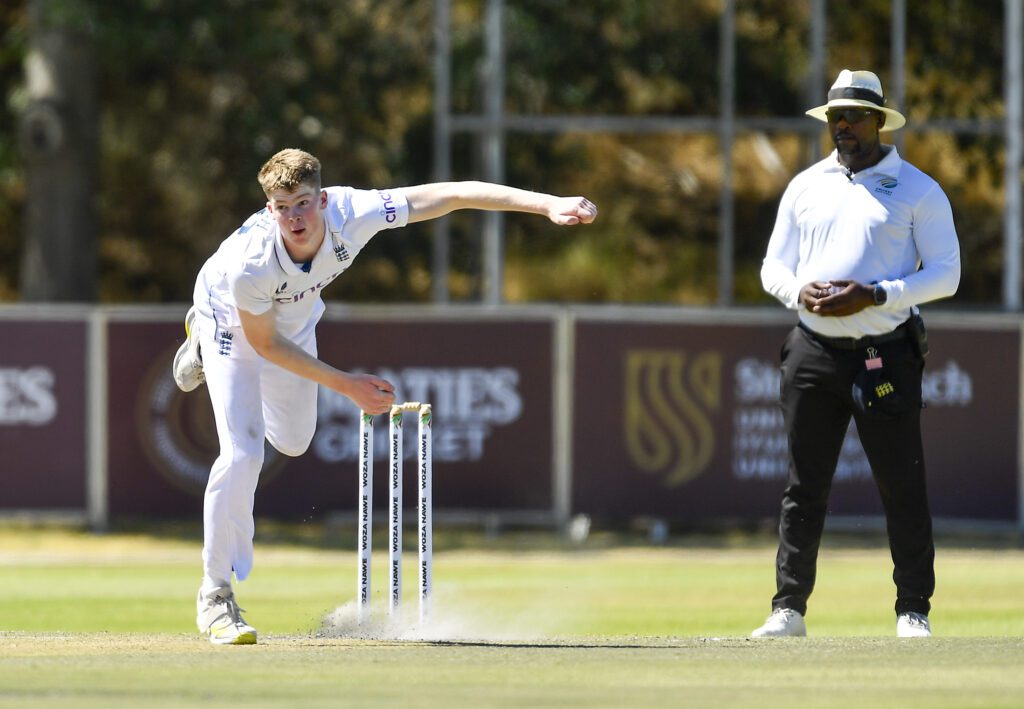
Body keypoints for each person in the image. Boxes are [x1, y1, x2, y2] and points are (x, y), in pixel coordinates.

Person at [173, 148, 598, 645]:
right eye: (283, 206)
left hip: (294, 319)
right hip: (231, 320)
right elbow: (264, 345)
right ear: (269, 208)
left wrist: (547, 203)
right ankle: (216, 597)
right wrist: (346, 384)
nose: (295, 218)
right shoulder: (250, 263)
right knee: (243, 452)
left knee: (291, 442)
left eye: (303, 203)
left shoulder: (354, 212)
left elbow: (450, 195)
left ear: (323, 199)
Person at [754, 70, 960, 639]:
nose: (842, 125)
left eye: (853, 116)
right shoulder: (806, 185)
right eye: (834, 117)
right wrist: (800, 292)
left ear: (879, 121)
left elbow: (947, 274)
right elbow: (774, 266)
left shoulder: (917, 188)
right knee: (804, 484)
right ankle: (788, 608)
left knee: (901, 482)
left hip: (885, 353)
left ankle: (912, 609)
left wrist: (878, 294)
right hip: (814, 350)